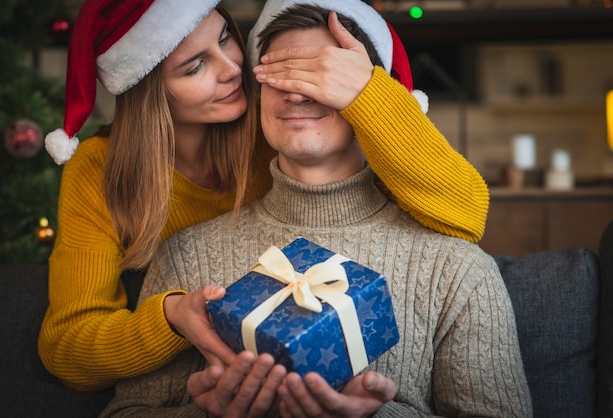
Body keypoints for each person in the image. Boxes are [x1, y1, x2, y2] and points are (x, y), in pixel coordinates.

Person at [100, 2, 532, 417]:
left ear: (369, 95)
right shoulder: (186, 257)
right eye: (278, 74)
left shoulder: (456, 270)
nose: (297, 93)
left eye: (323, 74)